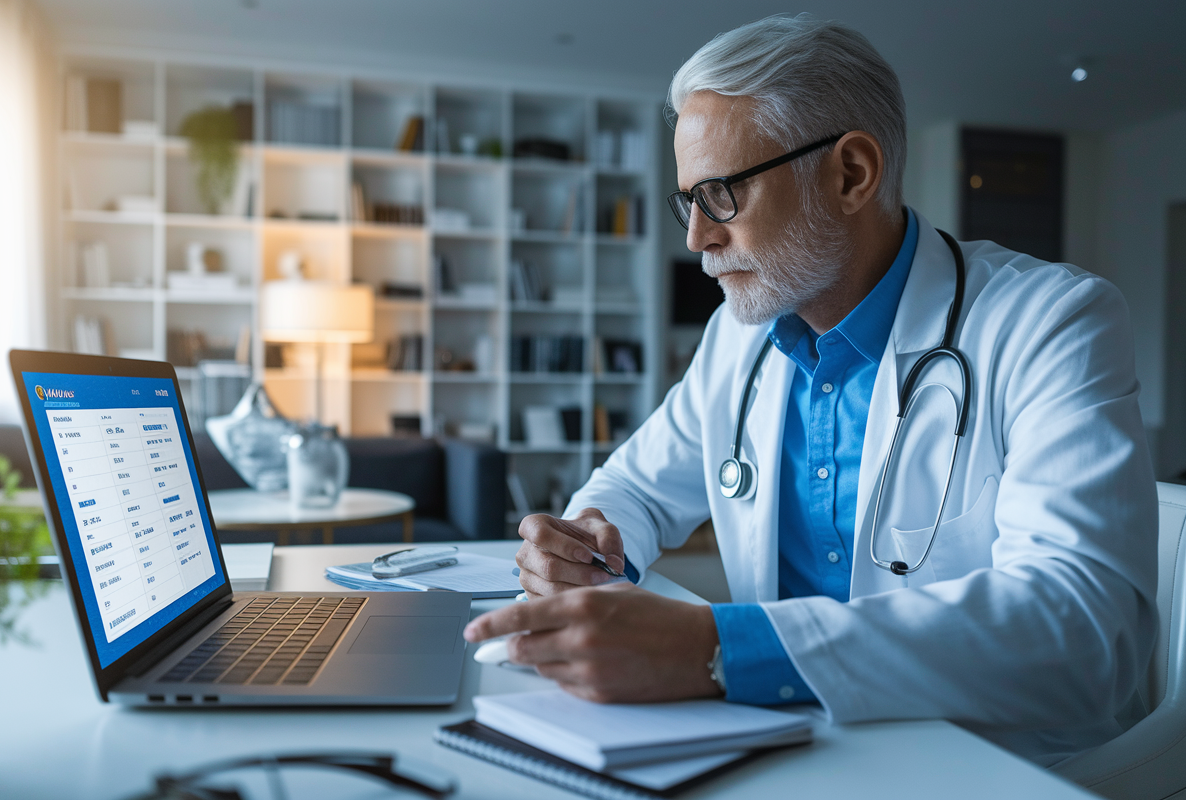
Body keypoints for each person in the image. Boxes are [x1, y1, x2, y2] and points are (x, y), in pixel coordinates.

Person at [464, 13, 1159, 766]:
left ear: (851, 173)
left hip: (993, 763)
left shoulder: (1052, 320)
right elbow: (633, 487)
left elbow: (1087, 631)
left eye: (722, 194)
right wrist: (586, 542)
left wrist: (718, 648)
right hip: (795, 749)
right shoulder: (741, 337)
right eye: (687, 201)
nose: (696, 238)